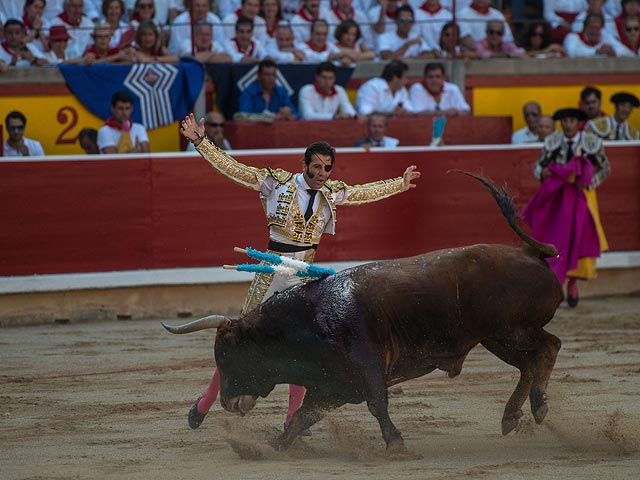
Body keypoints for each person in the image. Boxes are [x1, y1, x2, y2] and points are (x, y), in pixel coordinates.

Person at [178, 111, 421, 433]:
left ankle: (293, 417)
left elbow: (361, 192)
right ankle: (205, 402)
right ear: (305, 164)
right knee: (241, 340)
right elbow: (232, 169)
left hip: (304, 276)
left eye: (327, 167)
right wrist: (200, 141)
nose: (322, 173)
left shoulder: (330, 193)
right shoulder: (275, 183)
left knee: (302, 346)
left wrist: (398, 185)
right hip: (270, 271)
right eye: (317, 166)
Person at [521, 107, 610, 308]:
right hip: (559, 198)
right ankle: (558, 284)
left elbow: (605, 167)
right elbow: (539, 166)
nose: (568, 124)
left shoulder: (591, 142)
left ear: (578, 123)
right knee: (557, 240)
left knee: (578, 239)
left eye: (571, 121)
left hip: (583, 196)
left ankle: (573, 283)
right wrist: (543, 173)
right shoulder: (553, 142)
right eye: (564, 121)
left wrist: (590, 181)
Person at [563, 12, 631, 58]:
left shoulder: (605, 36)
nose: (594, 31)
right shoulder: (573, 37)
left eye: (597, 28)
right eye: (592, 27)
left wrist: (614, 52)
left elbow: (627, 52)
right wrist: (596, 51)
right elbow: (572, 53)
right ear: (585, 27)